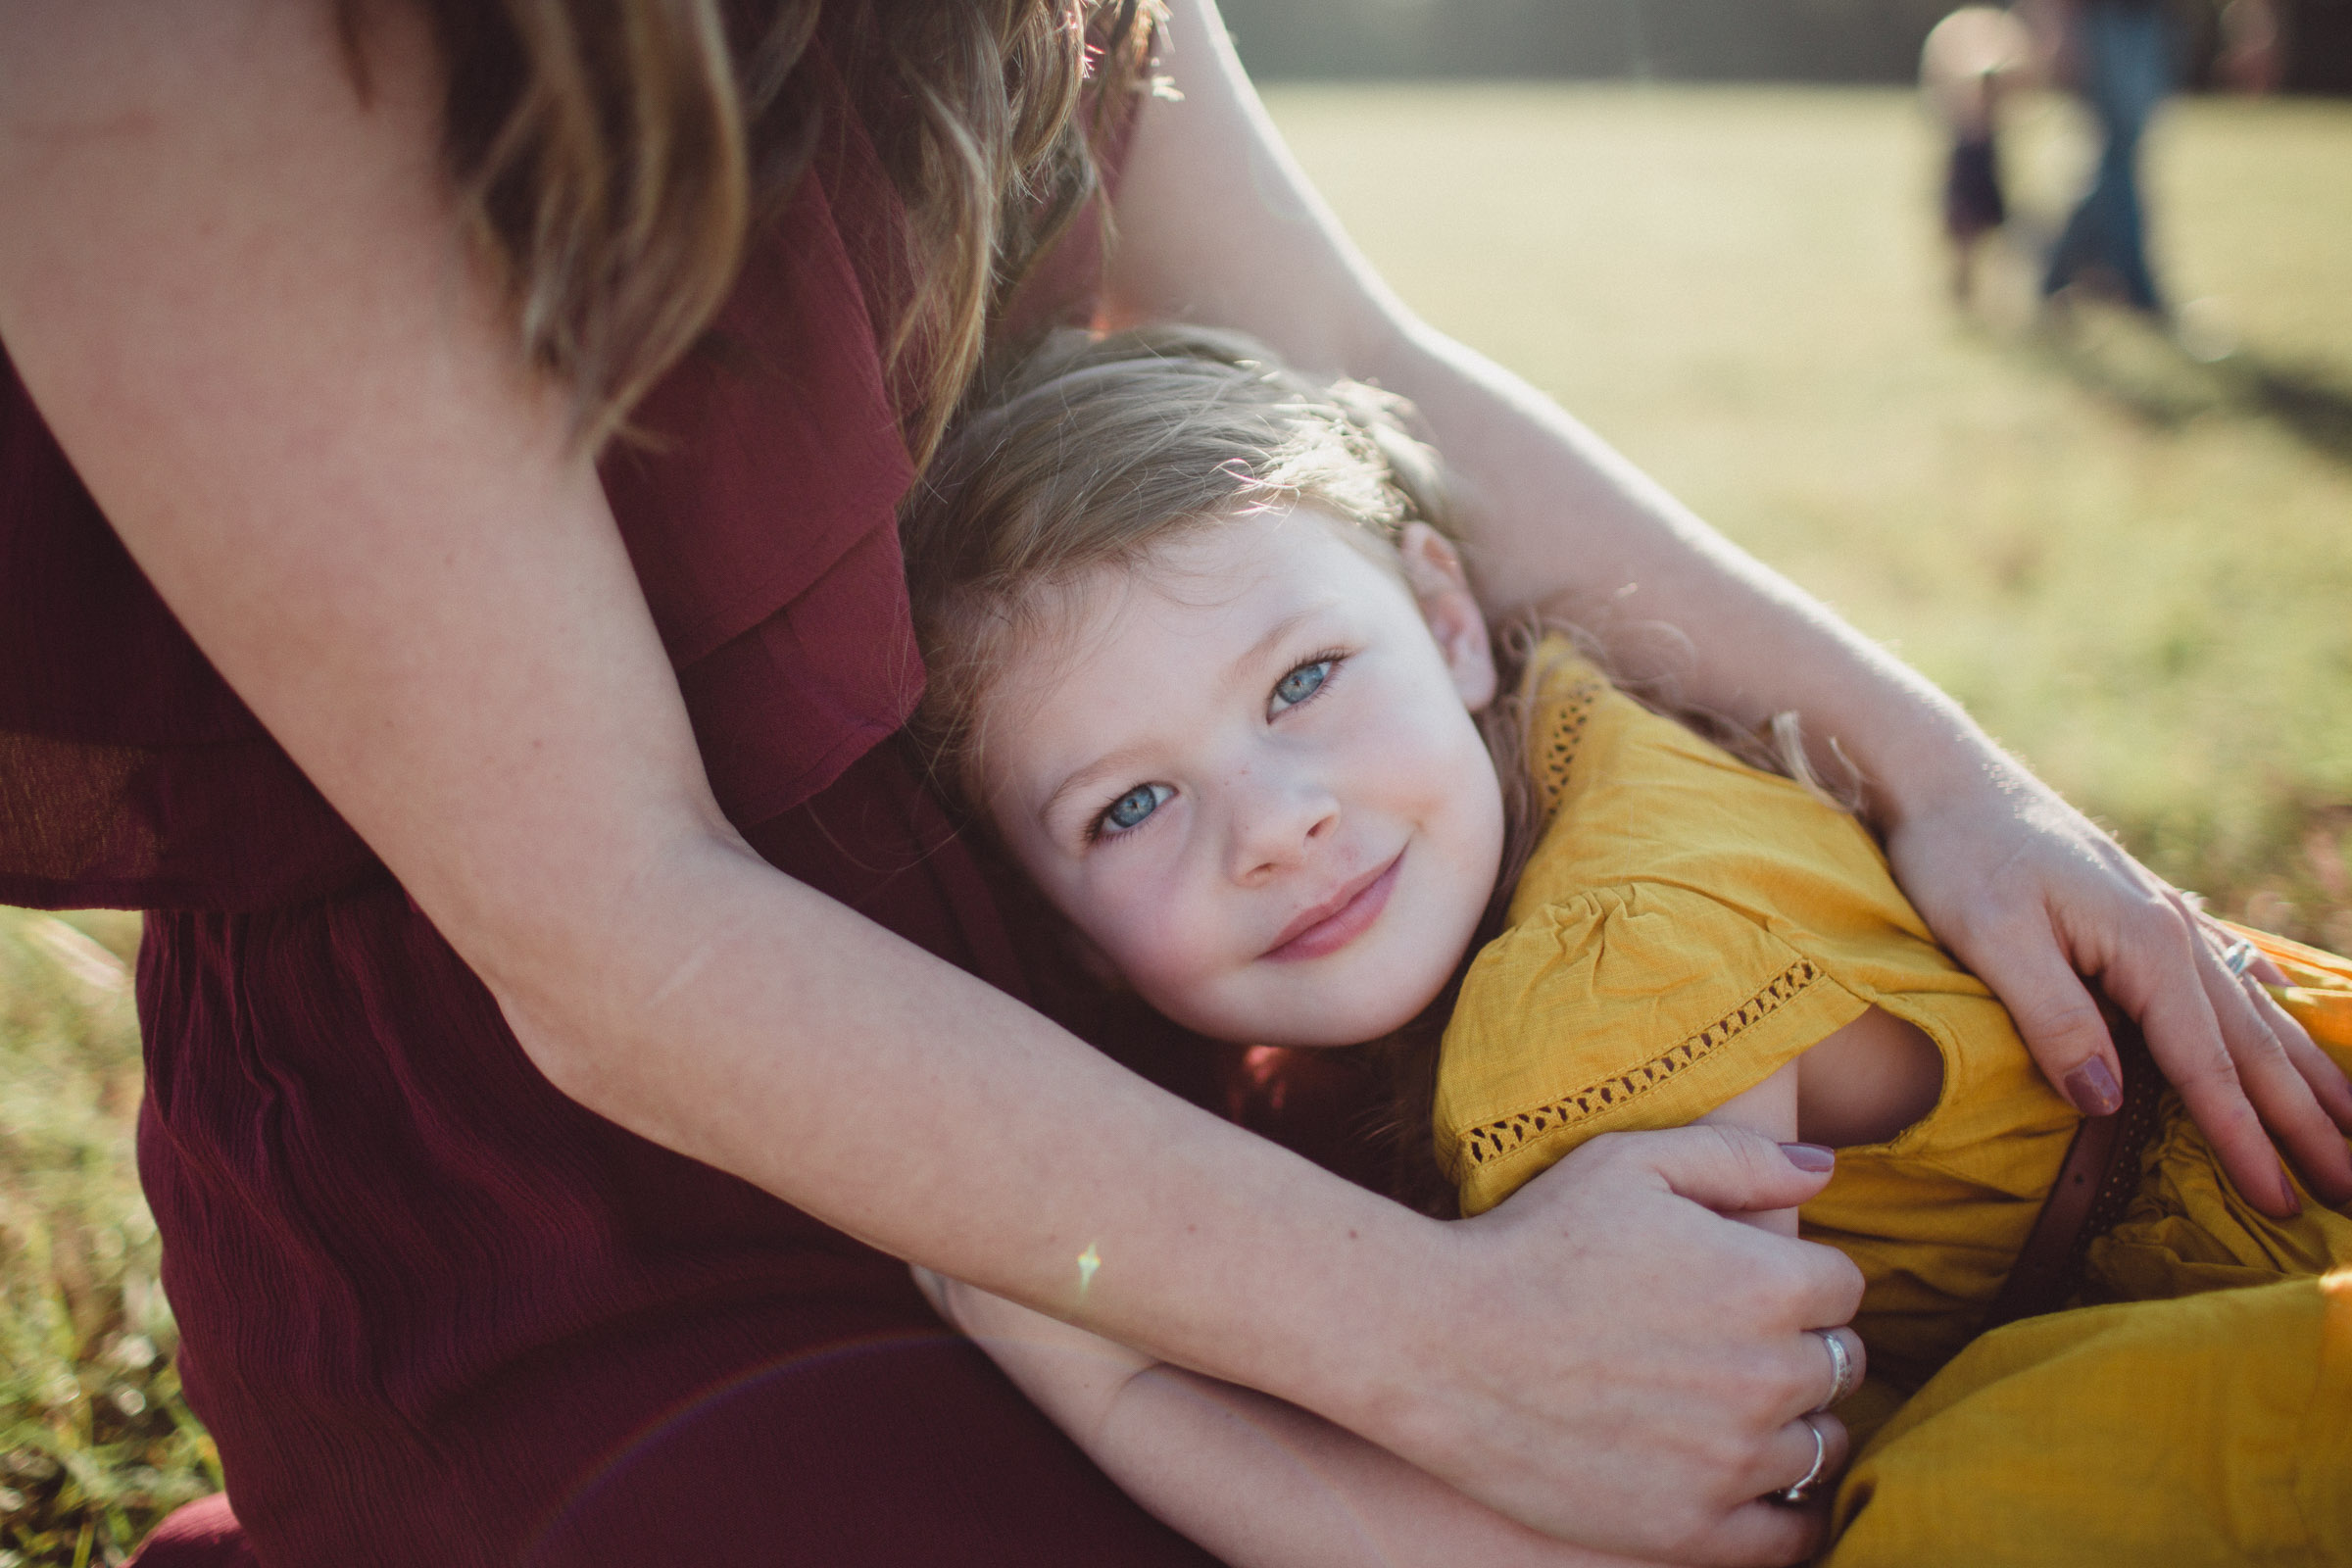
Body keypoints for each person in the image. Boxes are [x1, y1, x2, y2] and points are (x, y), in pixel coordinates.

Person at [0, 2, 2340, 1563]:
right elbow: (607, 921)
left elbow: (1349, 362)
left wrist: (1952, 775)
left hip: (1121, 1024)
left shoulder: (1370, 901)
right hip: (566, 1164)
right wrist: (1447, 1345)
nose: (1289, 797)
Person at [895, 323, 2352, 1565]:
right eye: (1132, 803)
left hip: (2243, 1346)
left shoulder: (1599, 988)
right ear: (1066, 937)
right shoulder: (1583, 732)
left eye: (1306, 678)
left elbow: (1620, 1544)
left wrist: (1084, 1368)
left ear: (1448, 620)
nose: (1275, 824)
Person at [2034, 0, 2180, 314]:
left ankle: (2057, 270)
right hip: (2104, 18)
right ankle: (2134, 283)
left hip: (2150, 17)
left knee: (2118, 154)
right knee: (2118, 150)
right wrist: (2060, 25)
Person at [1920, 8, 2034, 306]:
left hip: (1991, 155)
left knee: (1997, 228)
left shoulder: (2004, 33)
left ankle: (1996, 295)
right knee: (1962, 229)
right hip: (1965, 154)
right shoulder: (1953, 35)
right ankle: (1962, 288)